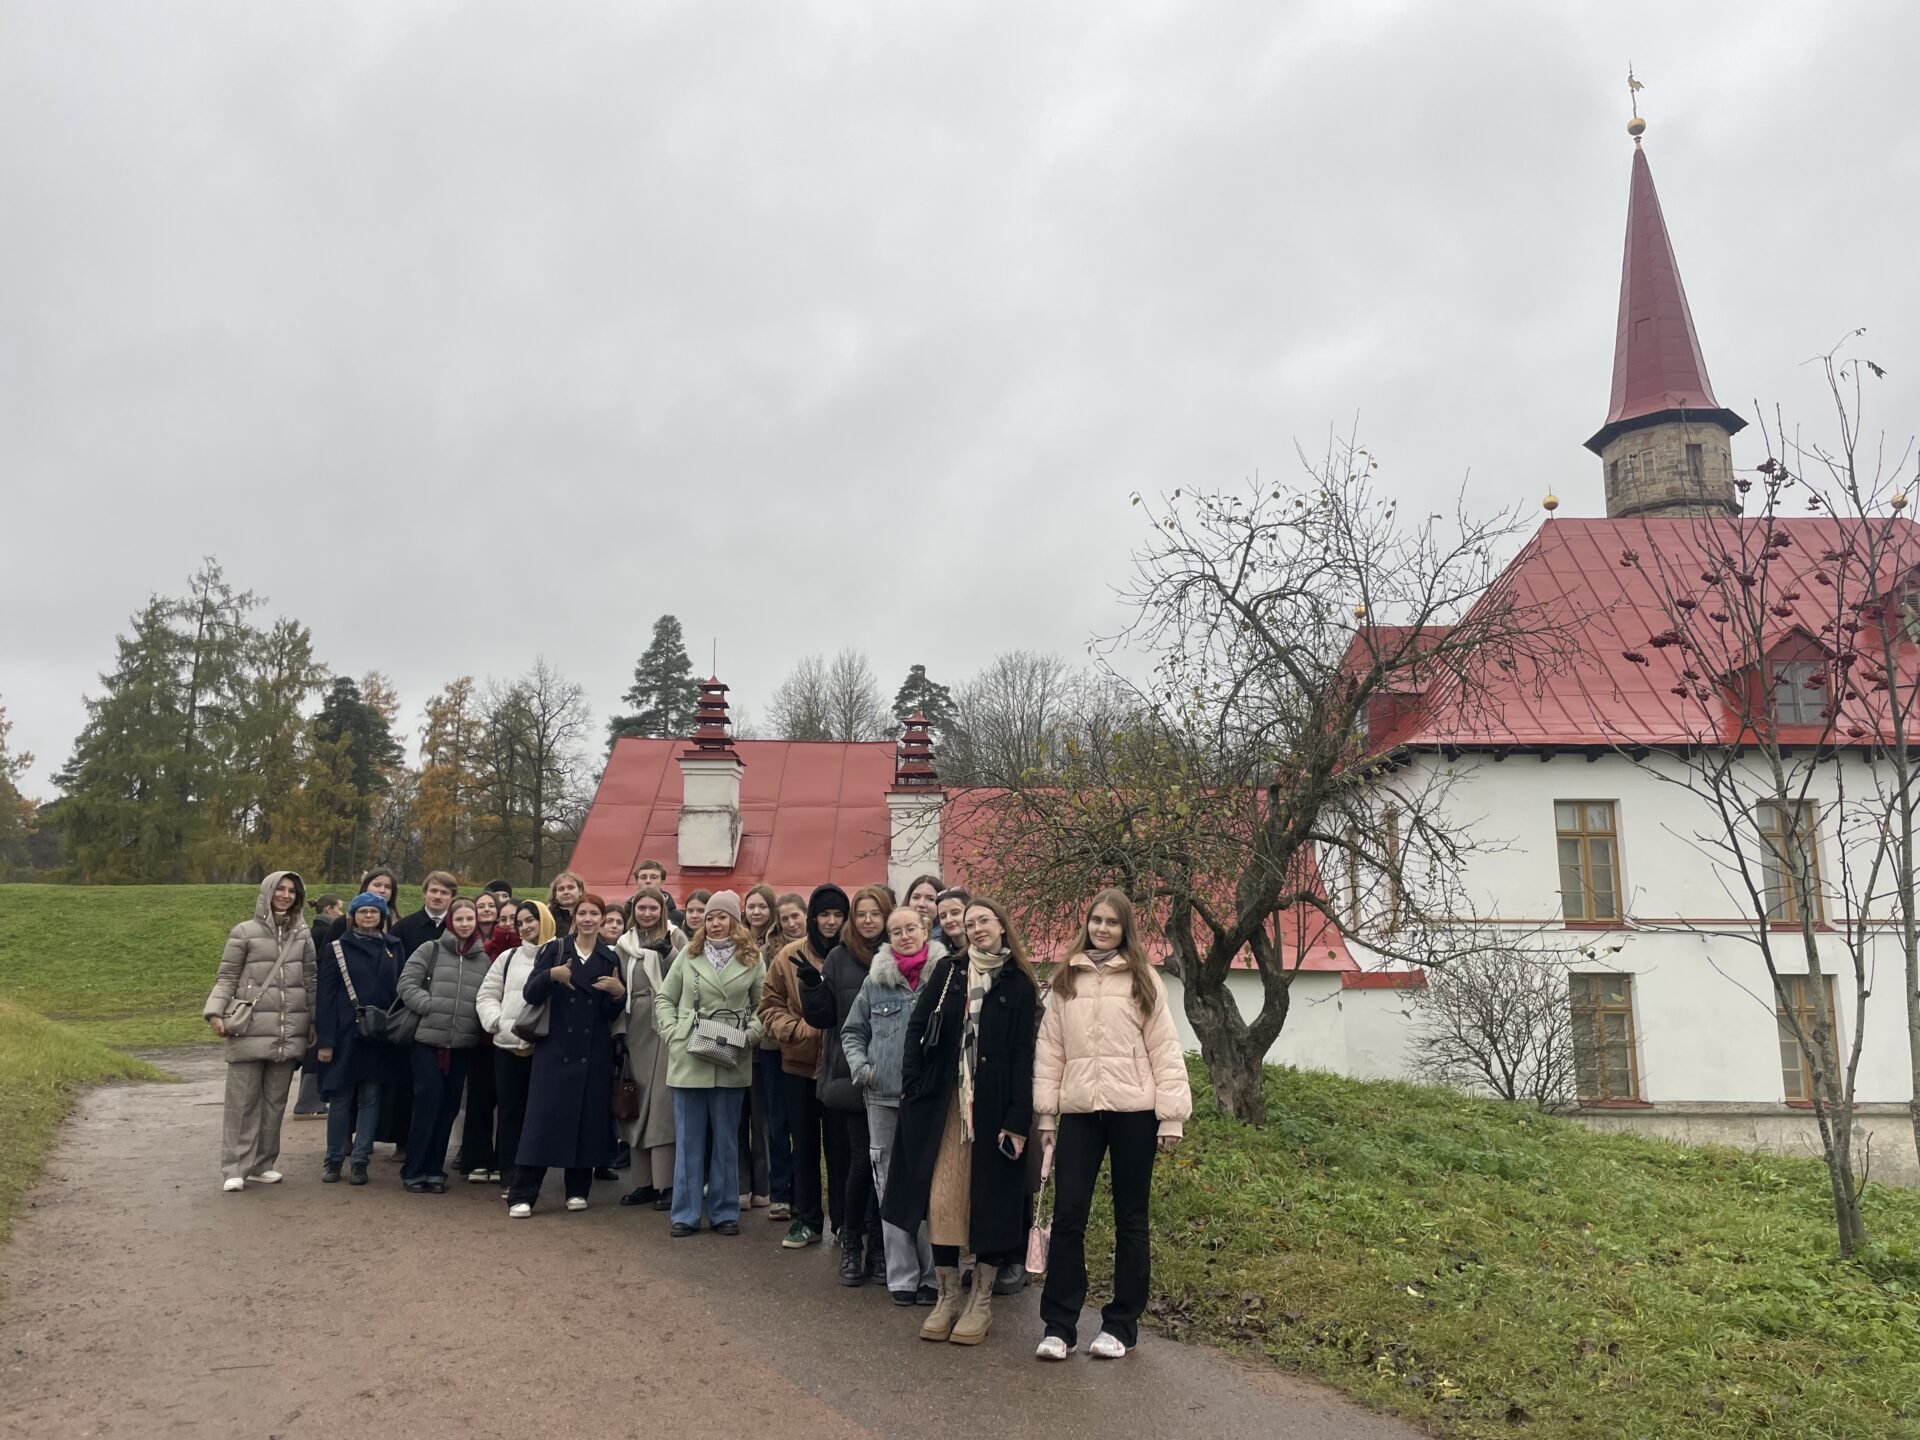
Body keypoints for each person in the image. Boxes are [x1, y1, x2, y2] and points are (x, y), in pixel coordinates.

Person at [1033, 890, 1193, 1361]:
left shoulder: (1144, 980)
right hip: (1080, 1113)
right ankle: (1059, 1326)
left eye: (1112, 923)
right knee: (1068, 1218)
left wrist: (1171, 1118)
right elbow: (1050, 1051)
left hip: (1135, 1115)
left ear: (1126, 929)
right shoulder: (1065, 979)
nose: (1102, 929)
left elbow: (1165, 1048)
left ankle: (1120, 1325)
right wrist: (1046, 1113)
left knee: (1131, 1220)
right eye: (1095, 921)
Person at [885, 896, 1038, 1346]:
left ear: (1001, 925)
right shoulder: (949, 972)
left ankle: (982, 1300)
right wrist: (912, 1081)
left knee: (990, 1203)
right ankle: (948, 1296)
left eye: (983, 921)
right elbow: (916, 1028)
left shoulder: (1018, 983)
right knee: (942, 1200)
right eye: (969, 924)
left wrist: (1017, 1118)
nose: (975, 929)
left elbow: (1022, 1056)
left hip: (992, 1113)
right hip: (943, 1107)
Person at [843, 905, 945, 1306]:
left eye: (911, 929)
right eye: (896, 931)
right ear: (889, 938)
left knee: (928, 1183)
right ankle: (903, 1276)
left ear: (925, 931)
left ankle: (935, 1276)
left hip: (928, 1100)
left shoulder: (944, 976)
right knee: (888, 1181)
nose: (904, 936)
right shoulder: (876, 983)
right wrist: (863, 1070)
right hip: (882, 1097)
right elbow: (853, 1032)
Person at [798, 882, 895, 1286]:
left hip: (893, 1078)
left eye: (876, 913)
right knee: (861, 1162)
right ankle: (852, 1241)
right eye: (862, 914)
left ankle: (881, 1247)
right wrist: (812, 987)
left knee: (887, 1167)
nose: (868, 920)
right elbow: (824, 1019)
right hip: (850, 1074)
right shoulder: (838, 957)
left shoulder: (901, 955)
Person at [653, 890, 765, 1237]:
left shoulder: (752, 959)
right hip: (689, 1055)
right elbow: (665, 998)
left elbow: (765, 1005)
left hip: (731, 1056)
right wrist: (673, 1032)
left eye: (722, 917)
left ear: (735, 920)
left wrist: (751, 1035)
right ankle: (685, 1214)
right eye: (710, 917)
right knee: (688, 1140)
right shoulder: (689, 953)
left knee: (727, 1141)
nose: (715, 923)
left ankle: (724, 1210)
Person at [510, 893, 625, 1216]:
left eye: (594, 914)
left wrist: (619, 995)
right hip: (555, 1048)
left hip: (593, 1051)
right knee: (541, 1121)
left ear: (603, 919)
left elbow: (608, 1012)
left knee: (587, 1119)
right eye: (582, 913)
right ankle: (523, 1193)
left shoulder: (608, 958)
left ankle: (578, 1188)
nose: (588, 919)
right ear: (574, 917)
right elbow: (530, 993)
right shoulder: (555, 949)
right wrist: (551, 976)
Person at [203, 871, 317, 1192]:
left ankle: (263, 1163)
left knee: (275, 1102)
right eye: (279, 889)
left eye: (291, 891)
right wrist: (214, 1012)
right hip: (249, 1029)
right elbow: (226, 977)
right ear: (267, 892)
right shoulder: (244, 932)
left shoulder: (303, 935)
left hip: (288, 1028)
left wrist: (315, 1021)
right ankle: (235, 1167)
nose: (285, 895)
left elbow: (311, 980)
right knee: (242, 1102)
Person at [397, 897, 491, 1193]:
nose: (465, 924)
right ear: (451, 921)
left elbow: (485, 996)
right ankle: (414, 1169)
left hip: (462, 1044)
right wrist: (429, 1005)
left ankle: (435, 1169)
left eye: (470, 919)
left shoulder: (483, 959)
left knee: (449, 1108)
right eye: (460, 919)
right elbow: (406, 984)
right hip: (427, 1041)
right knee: (428, 1102)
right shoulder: (431, 949)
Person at [314, 891, 405, 1185]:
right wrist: (326, 1041)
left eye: (374, 912)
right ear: (353, 916)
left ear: (382, 916)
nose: (368, 916)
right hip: (345, 1033)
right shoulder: (337, 948)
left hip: (379, 1035)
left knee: (371, 1098)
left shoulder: (394, 947)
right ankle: (333, 1159)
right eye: (363, 912)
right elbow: (325, 996)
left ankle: (361, 1161)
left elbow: (399, 990)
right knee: (340, 1099)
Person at [477, 901, 556, 1201]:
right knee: (509, 1113)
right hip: (508, 1045)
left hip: (544, 1047)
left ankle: (533, 1175)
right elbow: (487, 994)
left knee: (538, 1115)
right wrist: (497, 1022)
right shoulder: (508, 957)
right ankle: (509, 1174)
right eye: (520, 922)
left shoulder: (561, 952)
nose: (525, 927)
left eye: (530, 920)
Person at [615, 888, 685, 1210]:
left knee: (662, 1107)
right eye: (641, 907)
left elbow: (688, 976)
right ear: (634, 910)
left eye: (652, 907)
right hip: (635, 1026)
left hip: (667, 1025)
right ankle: (642, 1183)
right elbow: (618, 988)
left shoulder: (676, 936)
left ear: (662, 909)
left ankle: (666, 1184)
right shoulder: (624, 944)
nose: (647, 913)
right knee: (637, 1102)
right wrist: (618, 1033)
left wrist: (668, 953)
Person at [453, 892, 518, 1185]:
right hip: (483, 1037)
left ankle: (503, 1161)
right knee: (480, 1101)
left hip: (517, 1040)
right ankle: (476, 1157)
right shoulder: (483, 949)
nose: (506, 925)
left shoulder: (533, 951)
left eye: (511, 920)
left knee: (510, 1104)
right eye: (502, 919)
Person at [739, 882, 788, 1215]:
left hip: (768, 1042)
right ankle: (742, 1184)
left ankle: (765, 1185)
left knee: (765, 1117)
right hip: (736, 1038)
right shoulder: (736, 941)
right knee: (739, 1117)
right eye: (751, 906)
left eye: (762, 907)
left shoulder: (778, 945)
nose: (756, 913)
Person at [292, 893, 347, 1119]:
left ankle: (308, 1102)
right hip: (318, 998)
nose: (341, 914)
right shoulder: (324, 933)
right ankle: (308, 1103)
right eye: (339, 909)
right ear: (329, 909)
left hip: (311, 997)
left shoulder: (313, 932)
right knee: (315, 1053)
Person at [547, 870, 586, 938]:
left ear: (580, 891)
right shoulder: (547, 916)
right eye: (561, 889)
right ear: (555, 895)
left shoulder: (590, 914)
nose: (566, 892)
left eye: (571, 888)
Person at [933, 887, 970, 955]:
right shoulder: (937, 955)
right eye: (943, 916)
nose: (949, 920)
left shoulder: (984, 950)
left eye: (955, 913)